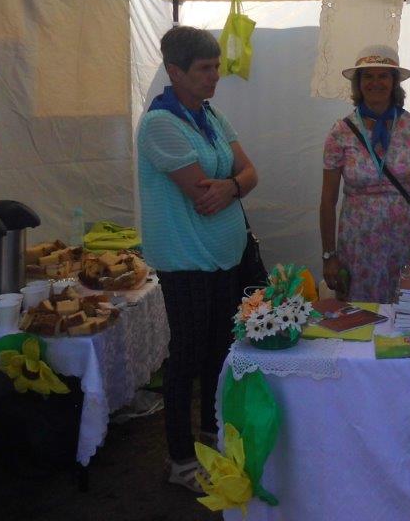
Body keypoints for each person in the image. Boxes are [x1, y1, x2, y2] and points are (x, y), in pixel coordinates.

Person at [136, 26, 258, 491]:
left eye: (216, 66)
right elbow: (200, 195)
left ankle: (210, 433)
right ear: (175, 71)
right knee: (186, 357)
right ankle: (181, 460)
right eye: (205, 68)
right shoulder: (160, 124)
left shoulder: (211, 115)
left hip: (225, 257)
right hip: (186, 260)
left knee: (218, 351)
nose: (215, 76)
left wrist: (232, 185)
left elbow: (251, 172)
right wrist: (234, 184)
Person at [320, 45, 410, 303]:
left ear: (394, 82)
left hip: (404, 240)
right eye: (368, 76)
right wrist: (329, 255)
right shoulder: (340, 132)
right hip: (357, 243)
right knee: (360, 315)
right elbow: (327, 201)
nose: (376, 82)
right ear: (358, 83)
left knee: (405, 310)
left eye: (383, 75)